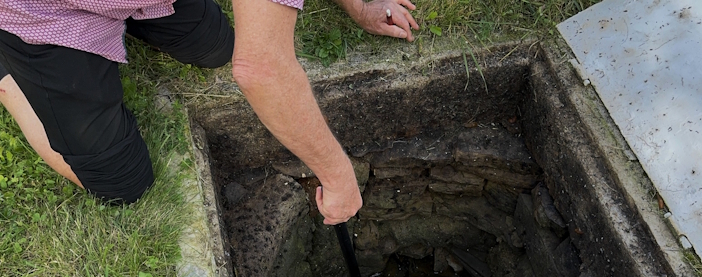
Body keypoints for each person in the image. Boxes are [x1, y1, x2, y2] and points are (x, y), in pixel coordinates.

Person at [0, 0, 419, 225]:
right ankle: (7, 72)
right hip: (40, 11)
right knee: (122, 185)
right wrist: (339, 178)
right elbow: (262, 70)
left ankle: (129, 14)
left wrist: (360, 4)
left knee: (217, 46)